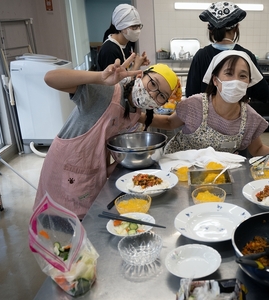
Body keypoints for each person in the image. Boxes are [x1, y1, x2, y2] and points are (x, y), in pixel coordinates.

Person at [33, 54, 180, 220]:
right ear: (140, 75)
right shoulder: (106, 92)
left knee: (84, 231)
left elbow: (167, 122)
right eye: (152, 83)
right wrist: (100, 78)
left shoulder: (133, 113)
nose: (153, 94)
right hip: (63, 172)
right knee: (56, 233)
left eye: (161, 95)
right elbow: (50, 78)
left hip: (90, 177)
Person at [150, 50, 269, 160]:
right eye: (229, 73)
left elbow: (258, 150)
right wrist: (138, 117)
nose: (235, 81)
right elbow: (169, 123)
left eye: (242, 76)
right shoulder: (195, 105)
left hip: (215, 176)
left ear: (248, 82)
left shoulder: (250, 119)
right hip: (178, 169)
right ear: (215, 80)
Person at [185, 1, 269, 102]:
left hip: (206, 115)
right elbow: (262, 93)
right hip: (238, 115)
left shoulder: (201, 56)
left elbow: (191, 94)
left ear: (210, 30)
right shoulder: (246, 56)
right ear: (236, 28)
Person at [96, 4, 149, 72]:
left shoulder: (127, 41)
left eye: (139, 26)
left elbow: (125, 68)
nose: (138, 30)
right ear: (121, 26)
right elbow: (116, 81)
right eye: (134, 27)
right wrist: (136, 66)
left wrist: (137, 63)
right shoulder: (109, 51)